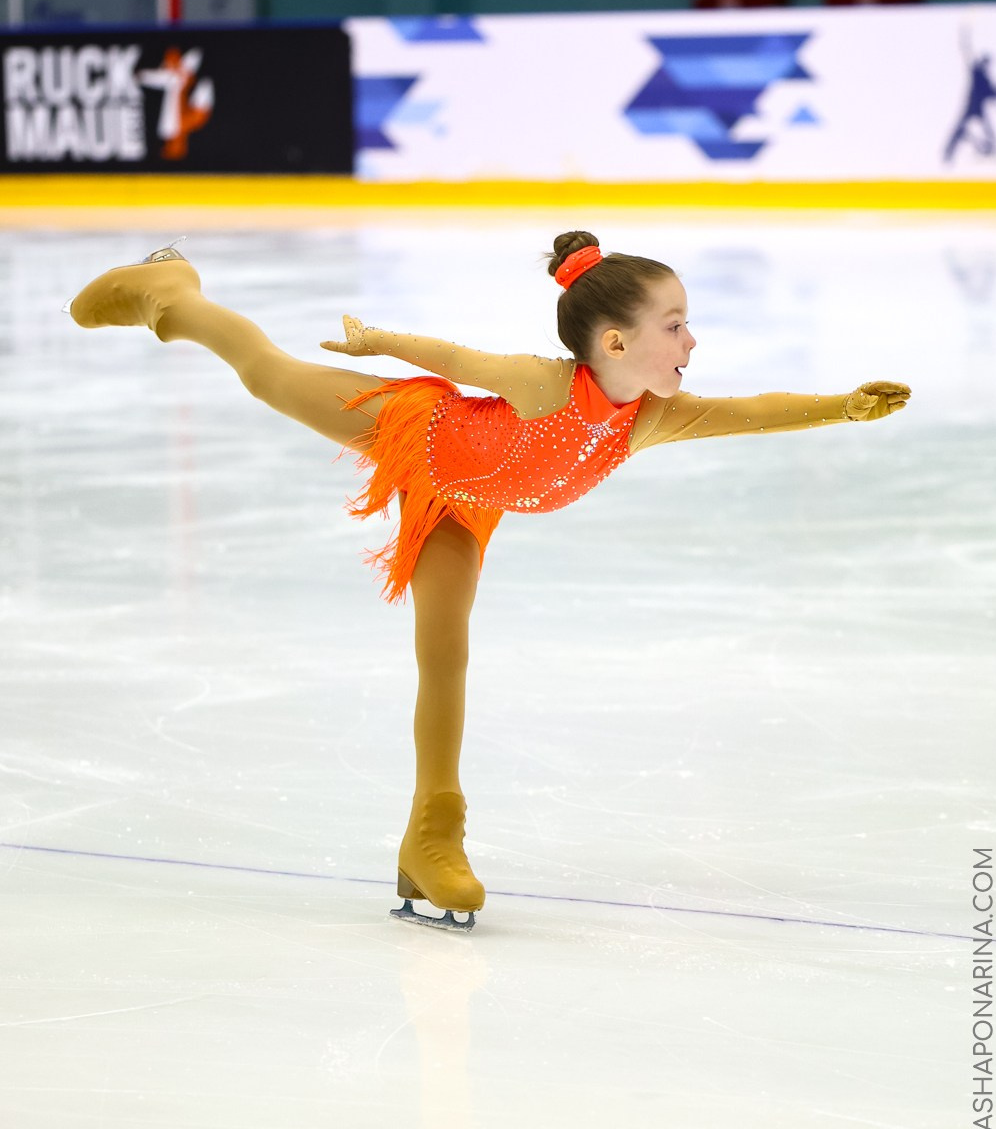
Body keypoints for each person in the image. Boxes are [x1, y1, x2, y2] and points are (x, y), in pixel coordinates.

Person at [68, 229, 911, 931]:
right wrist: (381, 346)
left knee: (445, 655)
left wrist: (842, 404)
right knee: (266, 374)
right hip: (413, 431)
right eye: (677, 325)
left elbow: (748, 411)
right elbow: (458, 357)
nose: (692, 343)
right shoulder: (548, 386)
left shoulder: (648, 420)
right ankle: (173, 295)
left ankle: (431, 835)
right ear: (615, 342)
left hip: (461, 507)